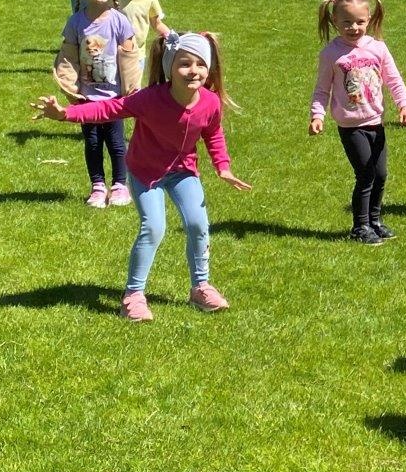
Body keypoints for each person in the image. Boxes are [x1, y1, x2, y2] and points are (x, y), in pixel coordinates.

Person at [32, 31, 252, 322]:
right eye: (185, 64)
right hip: (145, 172)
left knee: (198, 224)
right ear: (169, 67)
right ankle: (133, 295)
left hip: (183, 171)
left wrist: (223, 166)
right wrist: (65, 114)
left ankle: (200, 287)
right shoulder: (149, 99)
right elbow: (108, 108)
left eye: (201, 64)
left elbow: (213, 134)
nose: (194, 71)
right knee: (154, 227)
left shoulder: (210, 102)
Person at [310, 0, 406, 246]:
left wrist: (404, 105)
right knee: (365, 174)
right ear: (335, 21)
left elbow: (394, 79)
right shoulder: (331, 53)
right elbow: (322, 89)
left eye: (359, 22)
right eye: (347, 22)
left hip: (376, 122)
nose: (353, 27)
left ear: (369, 19)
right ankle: (360, 226)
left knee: (380, 175)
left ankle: (375, 221)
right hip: (351, 125)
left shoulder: (378, 48)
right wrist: (317, 115)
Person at [52, 0, 141, 208]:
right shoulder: (76, 22)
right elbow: (68, 57)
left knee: (116, 142)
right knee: (92, 143)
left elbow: (130, 57)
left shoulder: (119, 20)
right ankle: (98, 186)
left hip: (115, 97)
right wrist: (70, 88)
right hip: (87, 97)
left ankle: (120, 185)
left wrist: (131, 92)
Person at [119, 0, 169, 78]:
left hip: (138, 54)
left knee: (134, 86)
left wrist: (170, 36)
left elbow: (157, 24)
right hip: (115, 51)